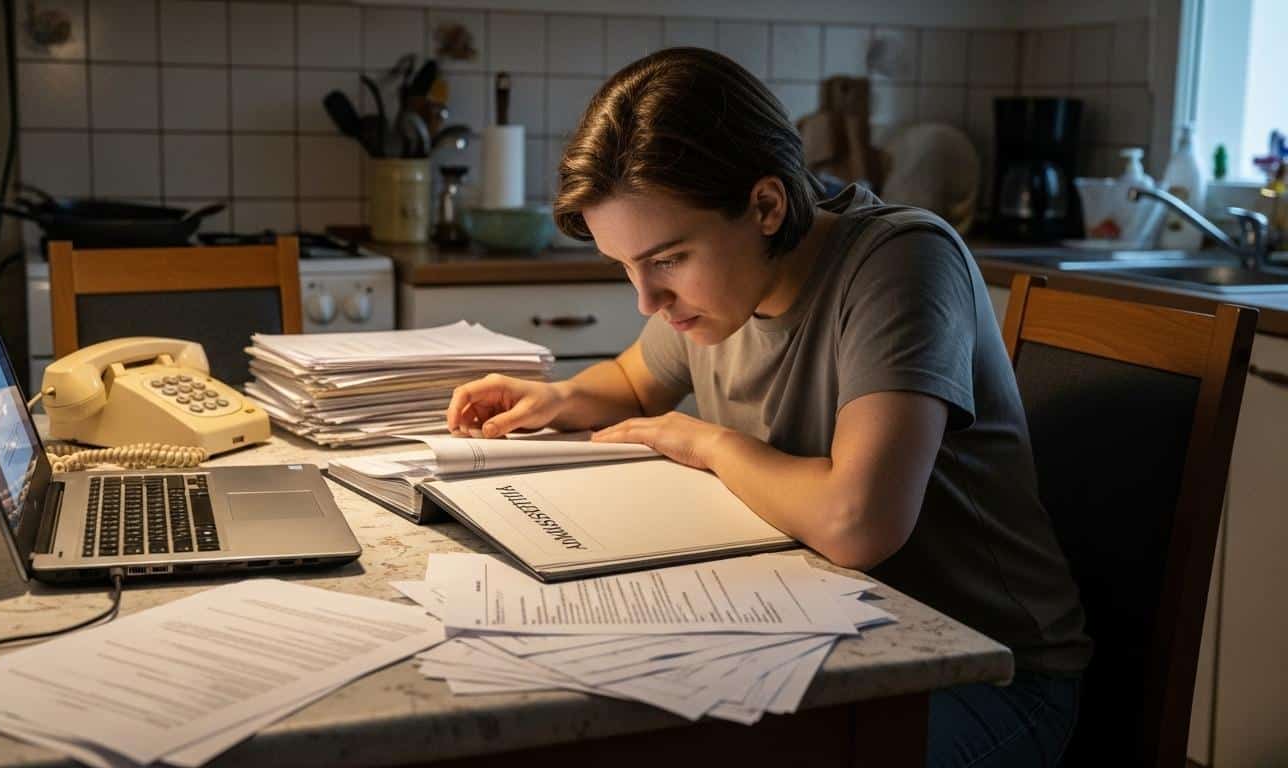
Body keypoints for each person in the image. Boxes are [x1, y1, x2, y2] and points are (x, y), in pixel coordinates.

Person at [444, 48, 1090, 767]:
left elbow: (857, 523)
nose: (646, 300)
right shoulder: (717, 291)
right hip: (830, 642)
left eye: (666, 260)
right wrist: (559, 396)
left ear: (765, 206)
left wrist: (711, 445)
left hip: (986, 676)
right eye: (624, 267)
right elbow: (634, 380)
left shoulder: (901, 263)